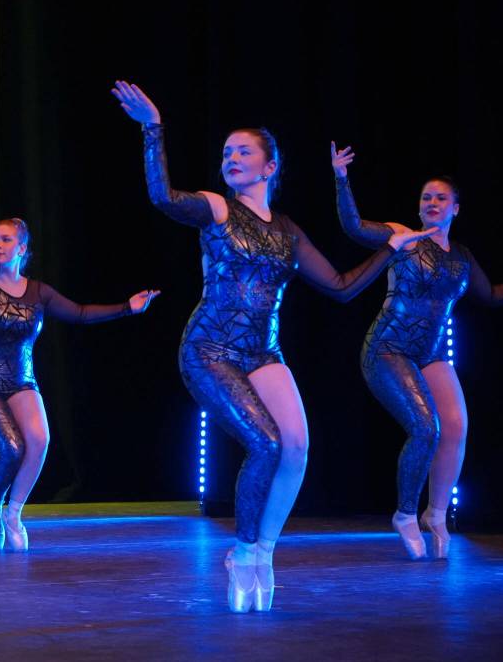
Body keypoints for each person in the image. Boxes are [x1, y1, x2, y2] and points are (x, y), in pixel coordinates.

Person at [112, 80, 437, 612]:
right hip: (209, 349)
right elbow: (161, 197)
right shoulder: (218, 208)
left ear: (270, 167)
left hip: (262, 352)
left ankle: (262, 552)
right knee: (264, 443)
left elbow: (340, 287)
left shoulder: (287, 230)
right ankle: (242, 553)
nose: (231, 158)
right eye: (226, 152)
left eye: (244, 151)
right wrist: (153, 128)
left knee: (297, 447)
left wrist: (391, 250)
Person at [332, 142, 503, 559]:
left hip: (427, 354)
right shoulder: (401, 236)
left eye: (440, 197)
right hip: (387, 349)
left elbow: (492, 296)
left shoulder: (462, 257)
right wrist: (341, 178)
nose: (431, 203)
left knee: (456, 427)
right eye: (426, 197)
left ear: (455, 209)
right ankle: (405, 514)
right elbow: (353, 227)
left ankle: (436, 513)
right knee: (426, 429)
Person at [0, 222, 159, 552]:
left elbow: (80, 313)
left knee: (40, 440)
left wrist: (126, 308)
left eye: (6, 239)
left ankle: (13, 514)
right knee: (12, 448)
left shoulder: (38, 292)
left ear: (22, 249)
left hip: (21, 381)